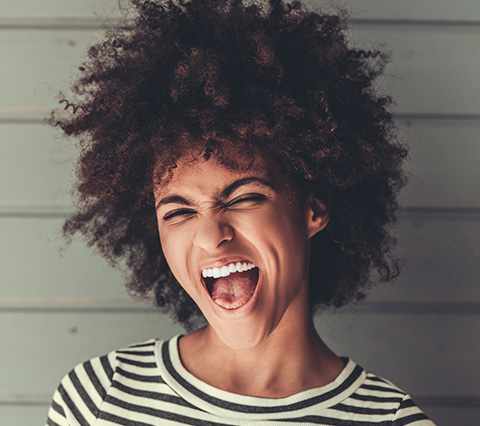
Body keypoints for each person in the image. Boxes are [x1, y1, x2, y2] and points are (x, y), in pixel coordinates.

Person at [46, 0, 436, 424]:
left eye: (244, 198)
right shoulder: (97, 399)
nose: (210, 235)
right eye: (178, 212)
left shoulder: (391, 419)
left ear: (314, 210)